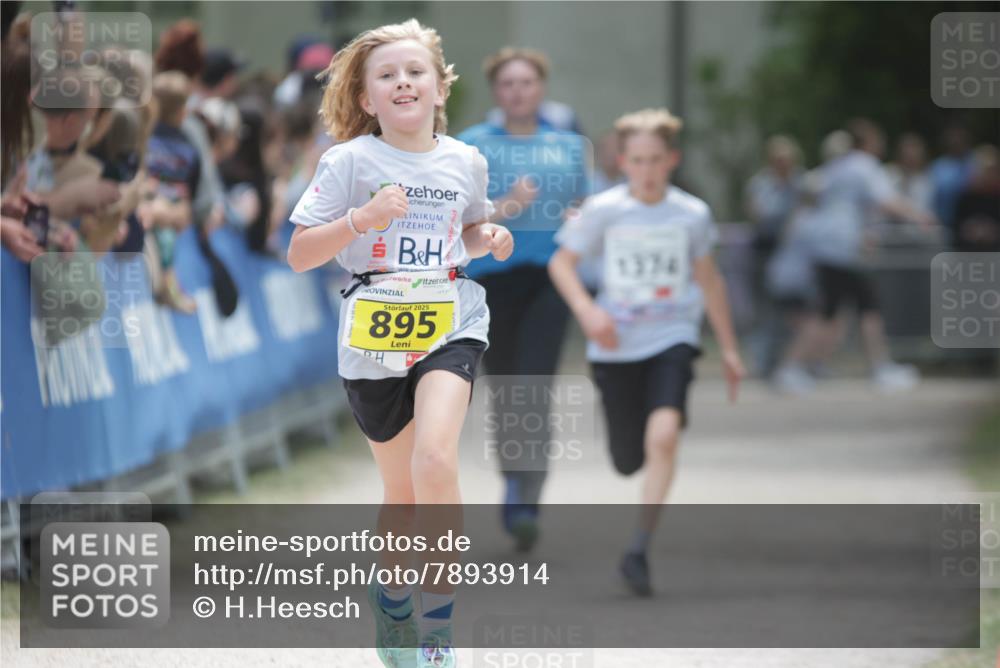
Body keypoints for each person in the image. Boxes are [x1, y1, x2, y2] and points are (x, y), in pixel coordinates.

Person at [286, 20, 512, 668]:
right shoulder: (348, 162)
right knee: (404, 494)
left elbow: (462, 232)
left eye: (415, 71)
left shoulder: (465, 160)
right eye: (386, 75)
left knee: (437, 464)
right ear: (366, 98)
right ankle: (391, 600)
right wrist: (361, 219)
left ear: (440, 87)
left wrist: (488, 237)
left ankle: (437, 633)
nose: (403, 82)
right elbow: (300, 253)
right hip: (373, 331)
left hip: (450, 317)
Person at [548, 108, 745, 595]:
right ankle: (634, 489)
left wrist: (730, 348)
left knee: (664, 437)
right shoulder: (604, 210)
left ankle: (639, 547)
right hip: (615, 346)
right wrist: (588, 311)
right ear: (621, 160)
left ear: (672, 159)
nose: (647, 169)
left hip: (671, 337)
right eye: (637, 159)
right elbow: (562, 263)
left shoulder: (692, 214)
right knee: (627, 459)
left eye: (656, 159)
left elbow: (709, 280)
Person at [458, 47, 589, 550]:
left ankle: (525, 497)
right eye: (508, 84)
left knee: (534, 387)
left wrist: (581, 219)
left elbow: (585, 203)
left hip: (548, 282)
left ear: (542, 88)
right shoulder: (471, 147)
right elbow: (458, 218)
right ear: (496, 91)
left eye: (527, 83)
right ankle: (514, 478)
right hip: (492, 283)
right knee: (506, 390)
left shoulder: (568, 146)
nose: (518, 91)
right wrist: (505, 207)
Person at [773, 119, 936, 393]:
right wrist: (920, 216)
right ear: (867, 143)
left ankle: (798, 367)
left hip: (830, 247)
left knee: (835, 312)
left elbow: (815, 197)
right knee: (863, 309)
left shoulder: (836, 167)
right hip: (843, 249)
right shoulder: (864, 165)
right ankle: (876, 368)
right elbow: (885, 200)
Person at [144, 71, 201, 313]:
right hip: (150, 201)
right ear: (181, 112)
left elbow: (191, 187)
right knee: (164, 230)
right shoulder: (143, 138)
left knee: (168, 230)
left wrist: (181, 206)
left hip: (174, 204)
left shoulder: (187, 147)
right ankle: (166, 283)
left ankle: (169, 280)